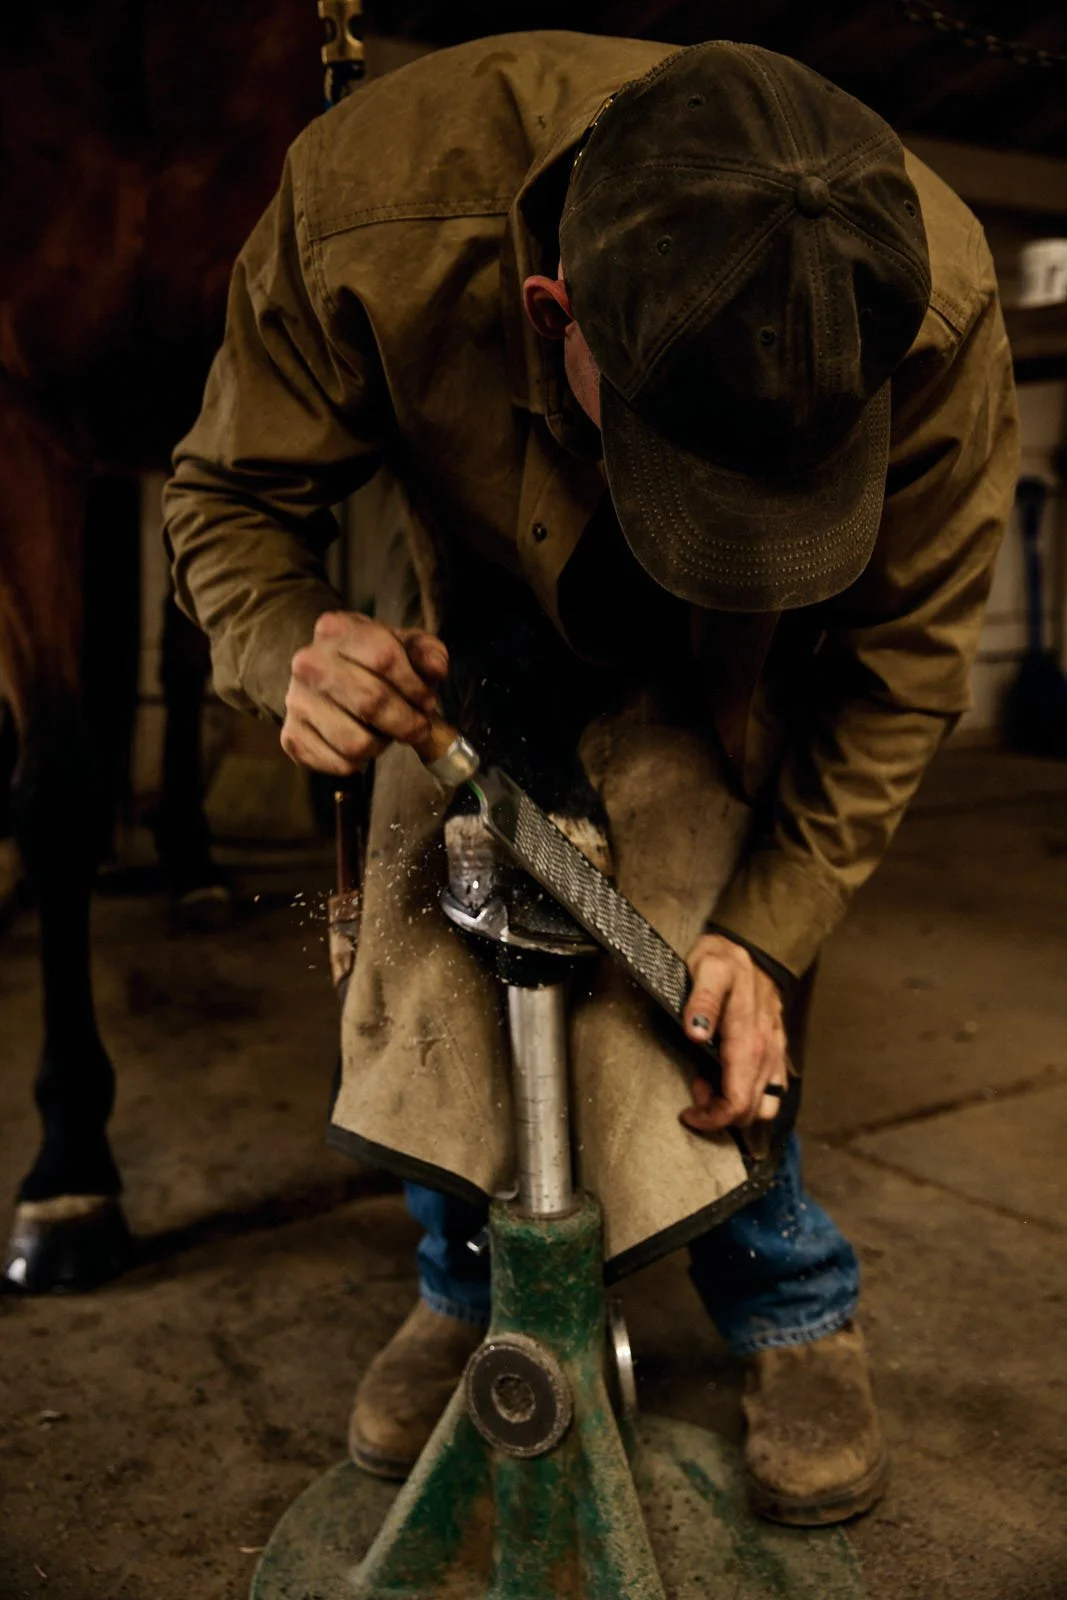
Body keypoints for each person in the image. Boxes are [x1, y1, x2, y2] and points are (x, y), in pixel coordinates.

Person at [163, 34, 1018, 1527]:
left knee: (694, 955)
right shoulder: (366, 211)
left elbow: (903, 667)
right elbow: (228, 493)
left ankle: (788, 1294)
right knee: (456, 906)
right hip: (487, 581)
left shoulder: (925, 302)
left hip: (746, 654)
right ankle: (469, 1282)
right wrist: (286, 642)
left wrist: (768, 927)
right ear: (552, 310)